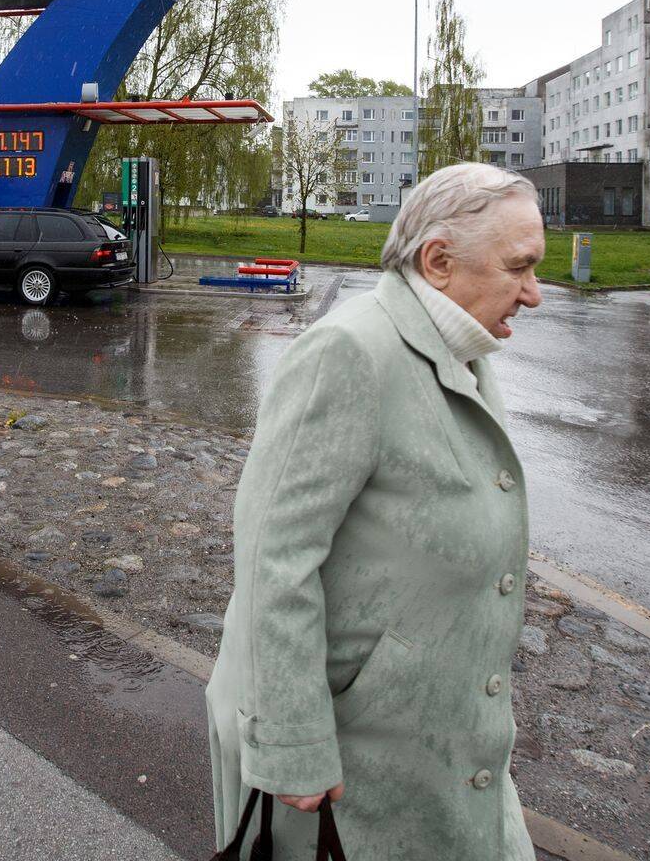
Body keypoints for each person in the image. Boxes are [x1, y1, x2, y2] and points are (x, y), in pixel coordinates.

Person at [205, 162, 545, 859]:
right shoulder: (350, 351)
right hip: (348, 757)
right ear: (440, 261)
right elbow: (274, 551)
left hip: (437, 739)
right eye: (520, 268)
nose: (534, 294)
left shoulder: (461, 344)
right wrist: (292, 740)